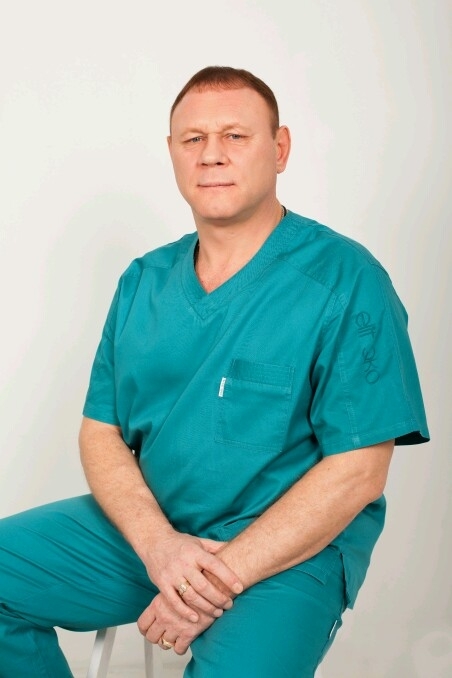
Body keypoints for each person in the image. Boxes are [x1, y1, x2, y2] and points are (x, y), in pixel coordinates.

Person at [0, 66, 429, 678]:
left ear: (279, 149)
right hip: (155, 534)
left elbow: (359, 470)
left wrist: (212, 582)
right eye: (193, 139)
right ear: (173, 153)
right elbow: (101, 431)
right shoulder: (144, 281)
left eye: (235, 136)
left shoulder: (345, 280)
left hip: (286, 554)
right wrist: (160, 547)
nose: (211, 155)